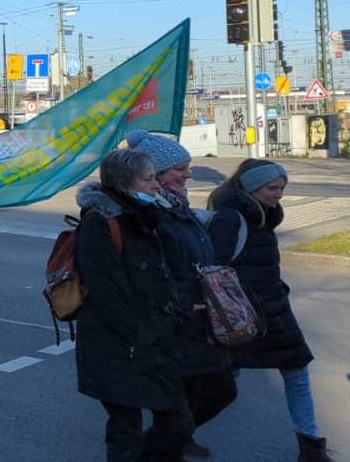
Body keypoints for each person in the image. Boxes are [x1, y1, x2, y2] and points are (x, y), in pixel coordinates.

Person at [207, 160, 333, 461]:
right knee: (221, 377)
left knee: (297, 372)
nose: (279, 195)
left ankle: (310, 446)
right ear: (251, 188)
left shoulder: (264, 216)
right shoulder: (231, 218)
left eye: (282, 188)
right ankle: (174, 433)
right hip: (243, 316)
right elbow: (214, 270)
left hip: (275, 310)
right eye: (272, 188)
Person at [74, 148, 190, 462]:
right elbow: (108, 292)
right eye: (148, 178)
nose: (156, 185)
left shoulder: (148, 217)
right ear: (126, 184)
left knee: (177, 422)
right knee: (126, 429)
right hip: (120, 345)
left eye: (155, 177)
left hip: (154, 340)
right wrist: (137, 338)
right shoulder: (100, 223)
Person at [126, 131, 235, 459]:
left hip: (198, 320)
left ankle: (164, 444)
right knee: (180, 407)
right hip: (175, 324)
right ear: (156, 175)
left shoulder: (180, 207)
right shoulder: (152, 215)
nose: (188, 174)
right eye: (179, 169)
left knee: (220, 390)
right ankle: (156, 449)